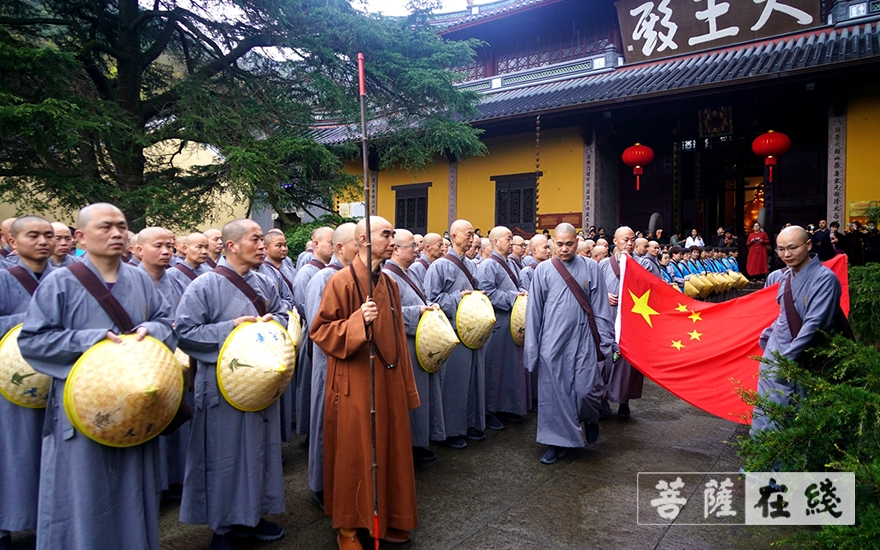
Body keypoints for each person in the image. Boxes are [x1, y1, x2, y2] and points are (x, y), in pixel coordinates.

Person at [18, 204, 174, 550]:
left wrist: (151, 329)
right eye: (106, 227)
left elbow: (167, 322)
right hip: (83, 408)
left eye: (122, 226)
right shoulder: (61, 281)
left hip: (136, 405)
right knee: (84, 493)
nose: (117, 233)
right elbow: (33, 341)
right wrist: (91, 339)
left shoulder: (139, 279)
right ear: (81, 237)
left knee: (135, 489)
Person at [175, 219, 288, 550]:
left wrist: (272, 322)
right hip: (221, 388)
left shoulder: (266, 281)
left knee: (259, 452)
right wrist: (232, 328)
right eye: (255, 239)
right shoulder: (204, 285)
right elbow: (184, 332)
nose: (262, 246)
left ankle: (253, 515)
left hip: (261, 384)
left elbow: (284, 313)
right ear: (231, 246)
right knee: (223, 457)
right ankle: (223, 527)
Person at [310, 217, 419, 550]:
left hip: (387, 378)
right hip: (355, 383)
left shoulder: (390, 283)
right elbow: (321, 332)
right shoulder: (340, 282)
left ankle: (386, 519)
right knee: (355, 453)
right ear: (364, 240)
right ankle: (347, 527)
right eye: (386, 234)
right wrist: (358, 322)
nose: (394, 238)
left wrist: (405, 386)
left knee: (388, 449)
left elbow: (398, 338)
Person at [525, 223, 613, 464]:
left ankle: (591, 418)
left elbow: (601, 308)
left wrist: (606, 343)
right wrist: (532, 350)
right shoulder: (543, 270)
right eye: (559, 244)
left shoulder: (591, 268)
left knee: (587, 391)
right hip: (553, 342)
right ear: (553, 243)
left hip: (584, 340)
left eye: (569, 243)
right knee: (555, 395)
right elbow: (534, 312)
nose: (564, 249)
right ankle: (555, 443)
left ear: (577, 242)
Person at [750, 226, 841, 435]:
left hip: (797, 358)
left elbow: (814, 324)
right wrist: (768, 338)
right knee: (765, 413)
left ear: (808, 245)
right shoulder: (782, 276)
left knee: (790, 419)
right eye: (780, 249)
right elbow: (783, 315)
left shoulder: (824, 278)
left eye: (792, 248)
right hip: (775, 354)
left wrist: (785, 361)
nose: (786, 255)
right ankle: (759, 463)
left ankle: (780, 466)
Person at [0, 216, 56, 550]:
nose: (43, 241)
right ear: (13, 241)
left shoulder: (65, 279)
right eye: (32, 235)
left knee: (50, 454)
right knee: (13, 453)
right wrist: (33, 319)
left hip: (56, 380)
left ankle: (48, 524)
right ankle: (5, 527)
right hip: (13, 382)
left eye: (48, 235)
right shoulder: (5, 278)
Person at [304, 223, 356, 510]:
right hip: (330, 363)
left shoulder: (357, 276)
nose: (363, 251)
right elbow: (318, 330)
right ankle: (320, 485)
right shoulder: (324, 278)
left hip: (353, 363)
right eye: (356, 245)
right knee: (326, 423)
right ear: (339, 248)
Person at [136, 227, 190, 499]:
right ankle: (152, 486)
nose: (166, 251)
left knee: (175, 422)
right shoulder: (132, 282)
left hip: (175, 361)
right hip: (138, 367)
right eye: (159, 246)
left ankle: (175, 479)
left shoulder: (178, 280)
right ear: (138, 250)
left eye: (169, 245)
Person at [382, 229, 445, 462]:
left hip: (420, 341)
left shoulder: (409, 272)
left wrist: (428, 306)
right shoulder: (388, 276)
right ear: (396, 249)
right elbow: (387, 313)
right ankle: (409, 445)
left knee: (424, 394)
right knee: (410, 395)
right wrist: (417, 311)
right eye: (412, 246)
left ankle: (420, 441)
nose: (417, 250)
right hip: (405, 343)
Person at [423, 220, 486, 449]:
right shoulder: (440, 266)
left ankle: (469, 422)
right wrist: (461, 298)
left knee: (471, 380)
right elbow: (432, 300)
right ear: (455, 236)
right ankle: (450, 430)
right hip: (452, 330)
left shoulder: (472, 265)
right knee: (454, 382)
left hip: (472, 330)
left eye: (473, 234)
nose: (472, 238)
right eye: (468, 234)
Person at [478, 226, 528, 430]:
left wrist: (523, 293)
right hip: (498, 322)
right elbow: (486, 293)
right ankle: (490, 410)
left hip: (513, 323)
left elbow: (517, 288)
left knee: (511, 368)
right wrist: (513, 298)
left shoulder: (512, 264)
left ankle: (508, 407)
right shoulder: (488, 265)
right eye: (508, 239)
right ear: (496, 242)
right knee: (495, 368)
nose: (512, 242)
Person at [291, 226, 334, 438]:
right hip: (315, 334)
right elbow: (301, 304)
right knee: (312, 385)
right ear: (315, 244)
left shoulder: (333, 270)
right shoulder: (308, 272)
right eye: (330, 242)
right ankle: (311, 431)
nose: (334, 247)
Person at [598, 227, 645, 418]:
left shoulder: (643, 265)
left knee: (627, 365)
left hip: (632, 321)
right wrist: (604, 295)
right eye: (626, 239)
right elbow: (595, 288)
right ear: (615, 242)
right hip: (608, 318)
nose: (630, 243)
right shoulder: (603, 265)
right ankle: (602, 401)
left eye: (633, 239)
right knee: (604, 362)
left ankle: (624, 401)